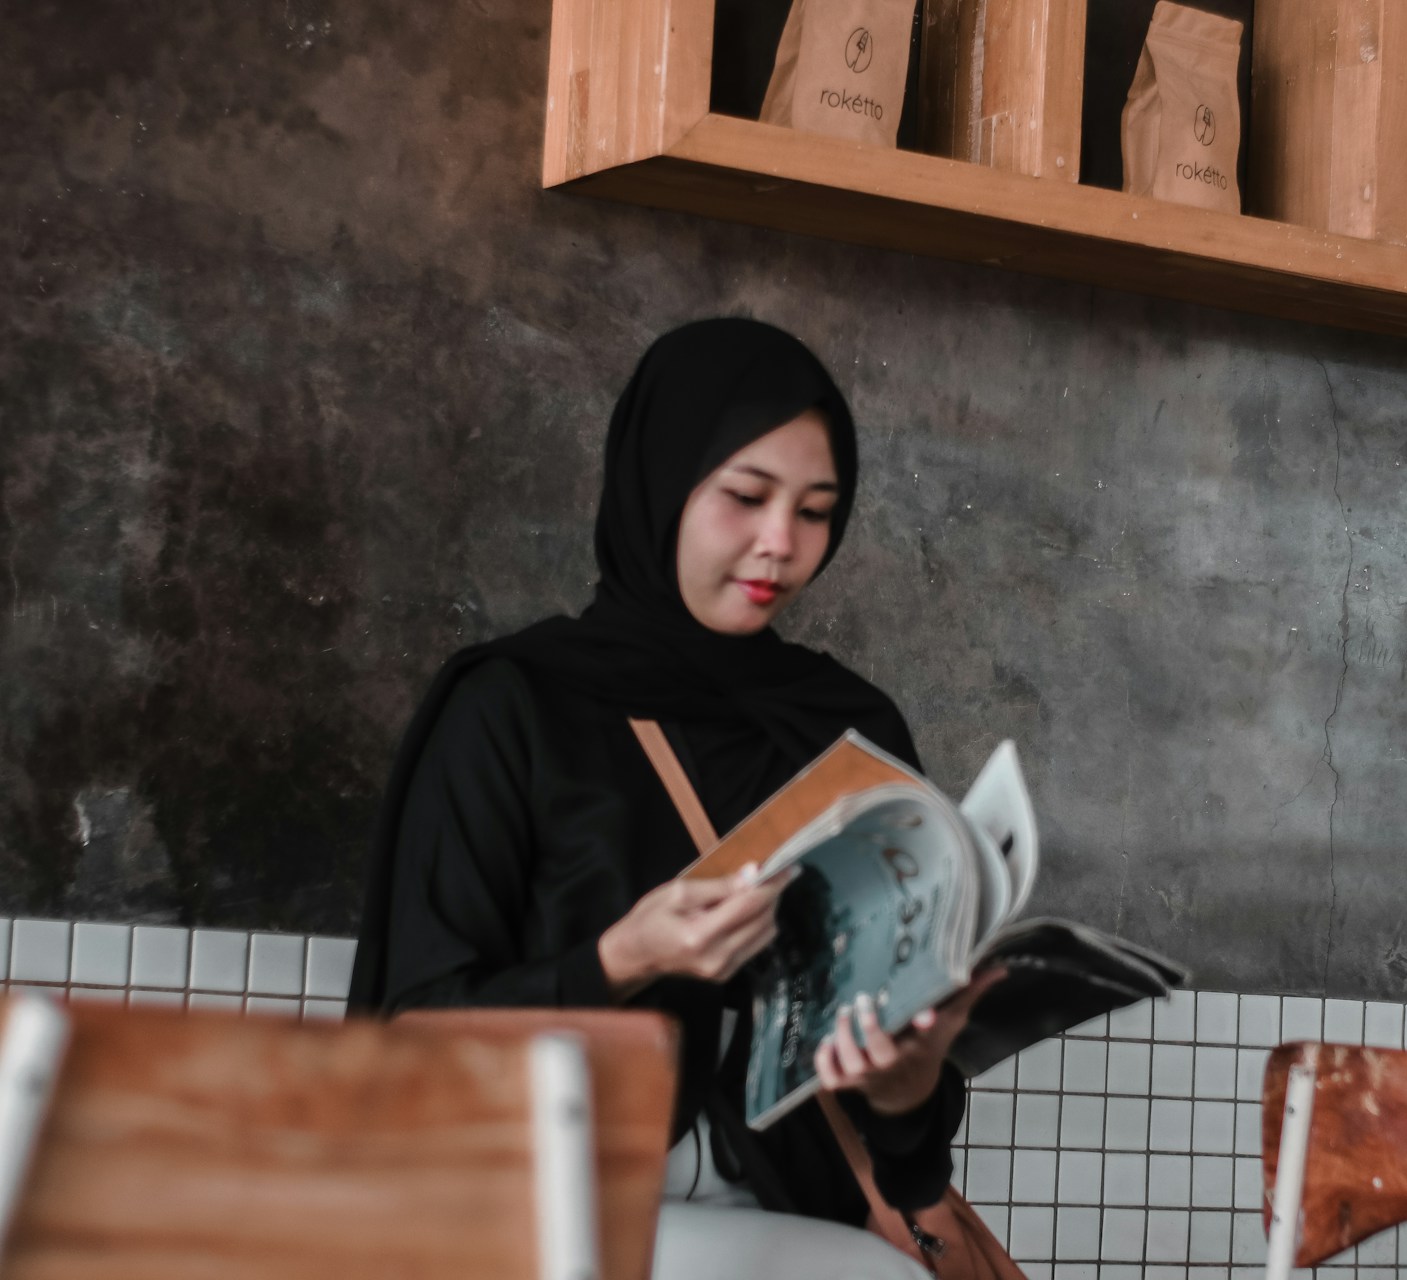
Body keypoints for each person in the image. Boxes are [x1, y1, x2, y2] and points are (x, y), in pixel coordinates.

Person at [347, 318, 991, 1279]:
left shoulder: (845, 731)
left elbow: (903, 1160)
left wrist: (909, 1086)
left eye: (816, 510)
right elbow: (411, 1036)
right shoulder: (515, 706)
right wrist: (621, 959)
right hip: (538, 1199)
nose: (781, 544)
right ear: (659, 481)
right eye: (744, 496)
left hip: (783, 1210)